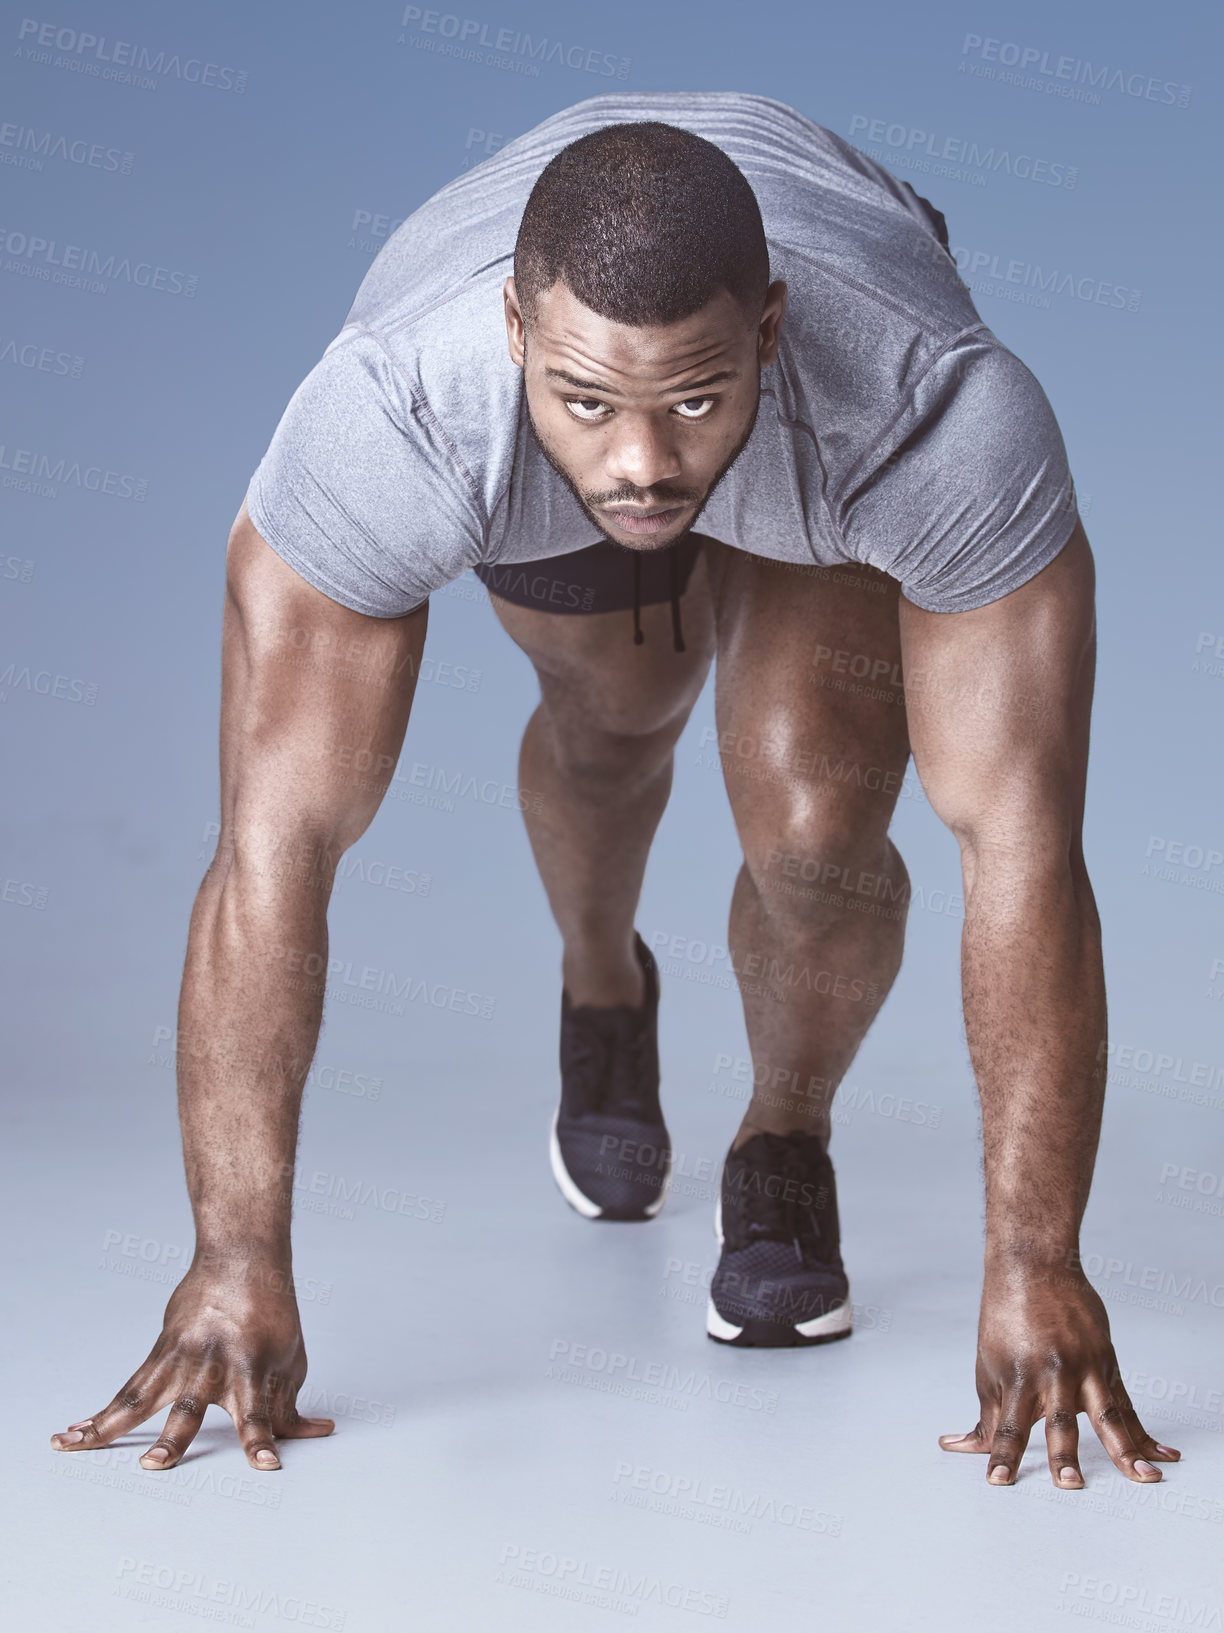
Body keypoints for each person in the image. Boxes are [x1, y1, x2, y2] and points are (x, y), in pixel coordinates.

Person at [50, 91, 1179, 1490]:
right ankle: (604, 985)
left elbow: (1023, 845)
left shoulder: (929, 411)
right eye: (591, 402)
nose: (643, 464)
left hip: (820, 430)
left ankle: (783, 1135)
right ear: (516, 338)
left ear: (767, 334)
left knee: (816, 825)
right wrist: (232, 1256)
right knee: (615, 723)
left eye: (692, 402)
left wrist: (1035, 1259)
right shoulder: (400, 413)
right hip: (525, 438)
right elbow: (271, 847)